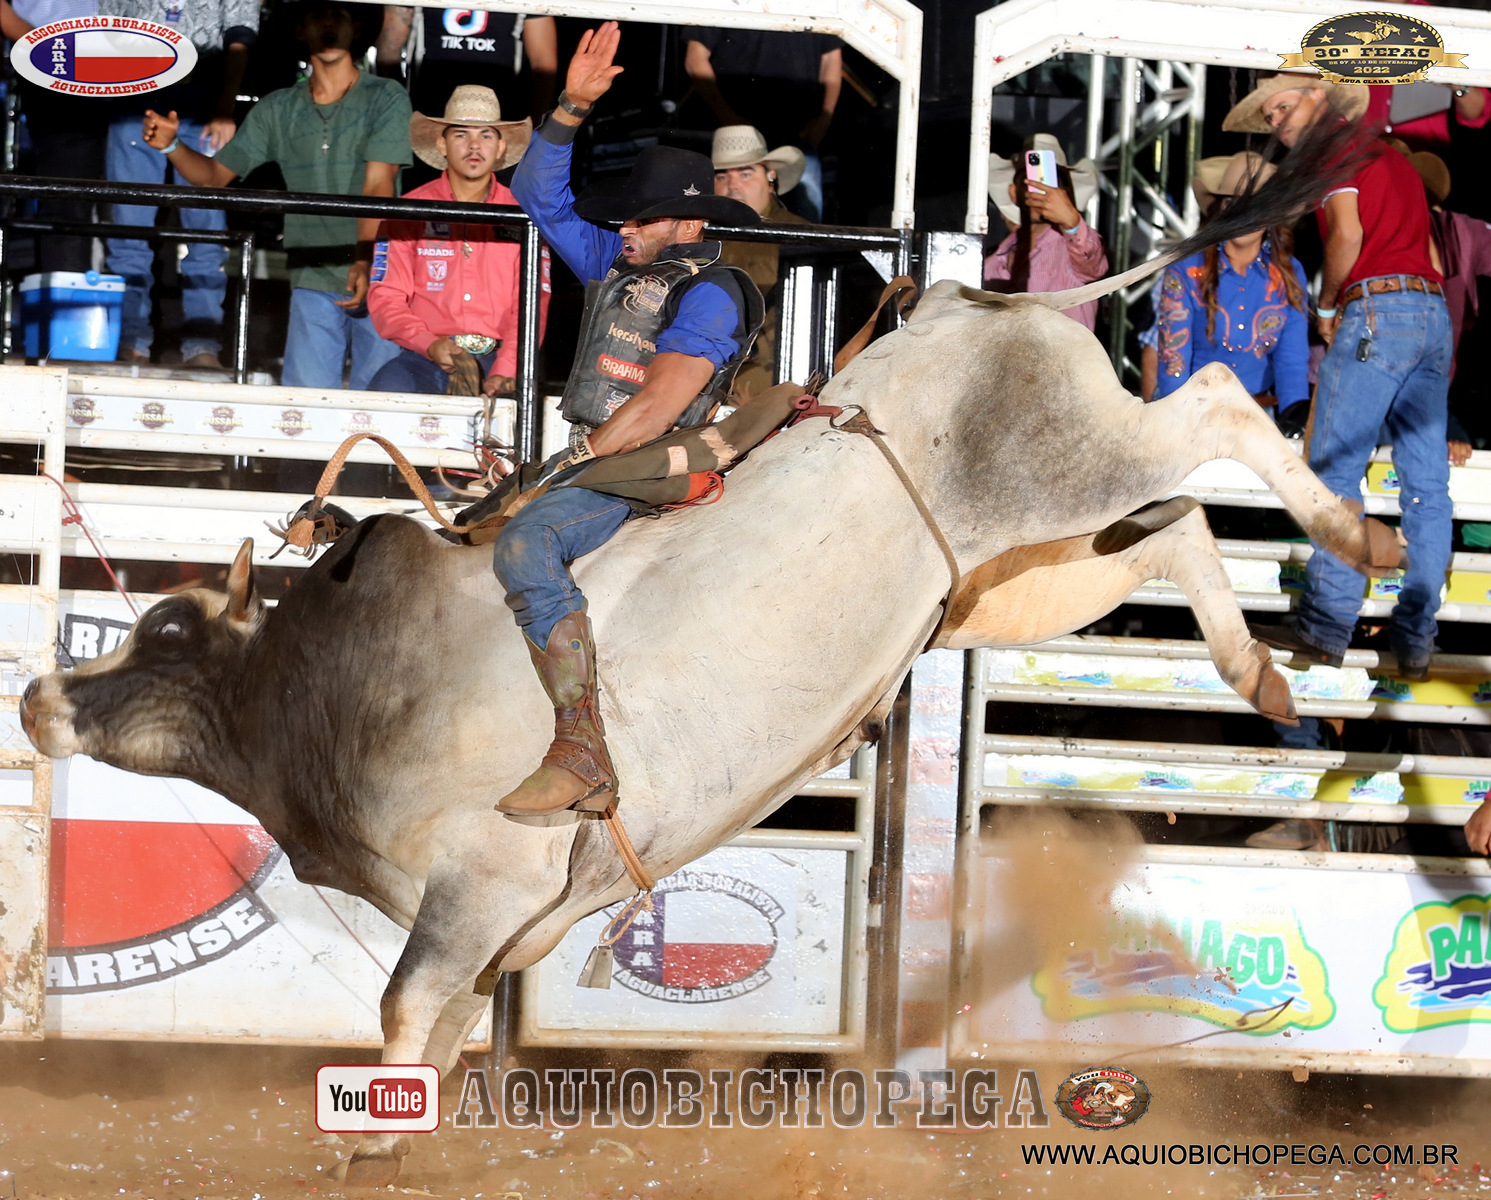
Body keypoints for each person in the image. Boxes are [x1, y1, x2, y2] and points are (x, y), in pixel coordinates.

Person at [496, 21, 763, 816]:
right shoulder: (617, 265)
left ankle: (579, 746)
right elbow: (537, 195)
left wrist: (565, 469)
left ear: (689, 222)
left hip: (648, 464)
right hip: (605, 455)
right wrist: (569, 109)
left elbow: (656, 406)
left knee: (526, 539)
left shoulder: (713, 291)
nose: (625, 229)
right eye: (625, 219)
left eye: (641, 219)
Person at [1228, 75, 1450, 695]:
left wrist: (1327, 306)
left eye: (1283, 106)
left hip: (1377, 309)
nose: (1277, 121)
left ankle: (1326, 626)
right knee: (1427, 487)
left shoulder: (1335, 152)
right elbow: (1433, 261)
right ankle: (1416, 638)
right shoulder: (1395, 161)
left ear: (1320, 96)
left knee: (1332, 472)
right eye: (1270, 114)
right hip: (1430, 311)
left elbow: (1347, 235)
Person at [140, 1, 412, 389]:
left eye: (338, 16)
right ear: (301, 31)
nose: (329, 25)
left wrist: (366, 258)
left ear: (355, 28)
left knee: (382, 403)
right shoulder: (279, 107)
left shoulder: (385, 95)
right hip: (312, 271)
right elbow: (214, 177)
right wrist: (171, 146)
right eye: (318, 15)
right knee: (308, 402)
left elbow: (378, 186)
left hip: (382, 273)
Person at [99, 0, 258, 368]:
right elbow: (106, 28)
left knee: (207, 235)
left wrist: (225, 108)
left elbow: (240, 35)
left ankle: (202, 346)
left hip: (204, 106)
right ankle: (131, 342)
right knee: (129, 232)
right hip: (134, 105)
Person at [367, 86, 550, 397]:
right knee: (387, 391)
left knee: (518, 409)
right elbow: (387, 295)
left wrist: (506, 368)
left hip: (499, 358)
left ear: (501, 146)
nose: (474, 146)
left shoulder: (524, 216)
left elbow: (533, 302)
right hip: (424, 357)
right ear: (442, 144)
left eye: (486, 135)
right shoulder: (408, 211)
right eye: (461, 135)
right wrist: (428, 343)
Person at [1154, 152, 1311, 426]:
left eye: (1256, 205)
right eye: (1233, 202)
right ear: (1221, 209)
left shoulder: (1289, 274)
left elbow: (1292, 362)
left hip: (1257, 421)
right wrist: (1177, 424)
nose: (1244, 214)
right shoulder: (1186, 270)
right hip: (1192, 416)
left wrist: (1294, 422)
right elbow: (1173, 360)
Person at [683, 27, 841, 221]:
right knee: (722, 221)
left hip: (799, 133)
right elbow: (695, 59)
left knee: (804, 223)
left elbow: (831, 60)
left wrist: (824, 118)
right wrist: (728, 116)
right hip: (736, 139)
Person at [5, 0, 106, 274]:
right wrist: (43, 48)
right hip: (53, 62)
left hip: (131, 57)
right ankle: (65, 295)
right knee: (66, 196)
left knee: (135, 198)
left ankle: (134, 299)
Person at [712, 125, 809, 397]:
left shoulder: (798, 235)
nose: (733, 185)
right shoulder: (699, 235)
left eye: (745, 174)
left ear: (771, 176)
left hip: (769, 379)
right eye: (722, 176)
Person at [984, 134, 1107, 330]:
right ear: (1013, 192)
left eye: (1050, 182)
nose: (1039, 191)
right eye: (1029, 181)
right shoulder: (993, 263)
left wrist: (1072, 222)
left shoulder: (1071, 250)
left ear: (1064, 193)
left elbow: (1093, 265)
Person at [375, 8, 557, 123]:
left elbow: (544, 63)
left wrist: (537, 124)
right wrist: (395, 114)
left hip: (498, 117)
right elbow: (389, 51)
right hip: (430, 113)